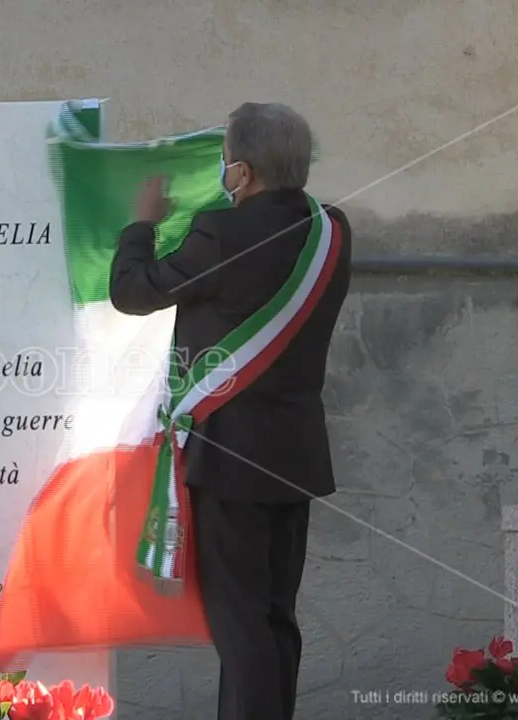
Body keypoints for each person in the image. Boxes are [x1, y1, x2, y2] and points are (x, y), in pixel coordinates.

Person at [107, 102, 352, 720]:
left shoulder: (220, 232)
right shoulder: (332, 233)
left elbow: (133, 292)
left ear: (241, 173)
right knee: (275, 615)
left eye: (223, 164)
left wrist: (142, 226)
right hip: (294, 454)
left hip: (228, 457)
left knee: (238, 618)